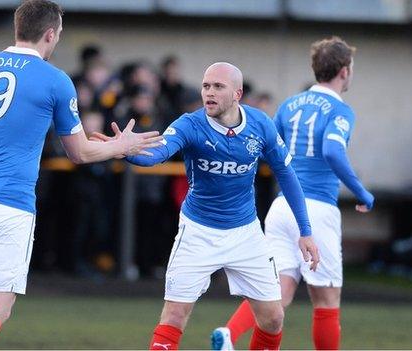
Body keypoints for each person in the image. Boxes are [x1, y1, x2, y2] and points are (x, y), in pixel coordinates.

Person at [0, 1, 161, 349]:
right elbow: (79, 152)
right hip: (8, 206)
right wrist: (121, 147)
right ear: (51, 34)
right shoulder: (55, 80)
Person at [95, 62, 320, 350]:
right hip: (198, 232)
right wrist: (123, 149)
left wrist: (306, 230)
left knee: (273, 318)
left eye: (218, 87)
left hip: (246, 234)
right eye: (205, 86)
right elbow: (156, 154)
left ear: (237, 93)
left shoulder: (261, 124)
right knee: (174, 316)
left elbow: (287, 174)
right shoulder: (190, 124)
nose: (209, 93)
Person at [214, 37, 374, 351]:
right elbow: (332, 150)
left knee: (277, 293)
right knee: (326, 299)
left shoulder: (289, 105)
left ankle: (230, 334)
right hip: (316, 210)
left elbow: (265, 147)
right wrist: (362, 192)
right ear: (344, 71)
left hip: (282, 207)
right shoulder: (341, 110)